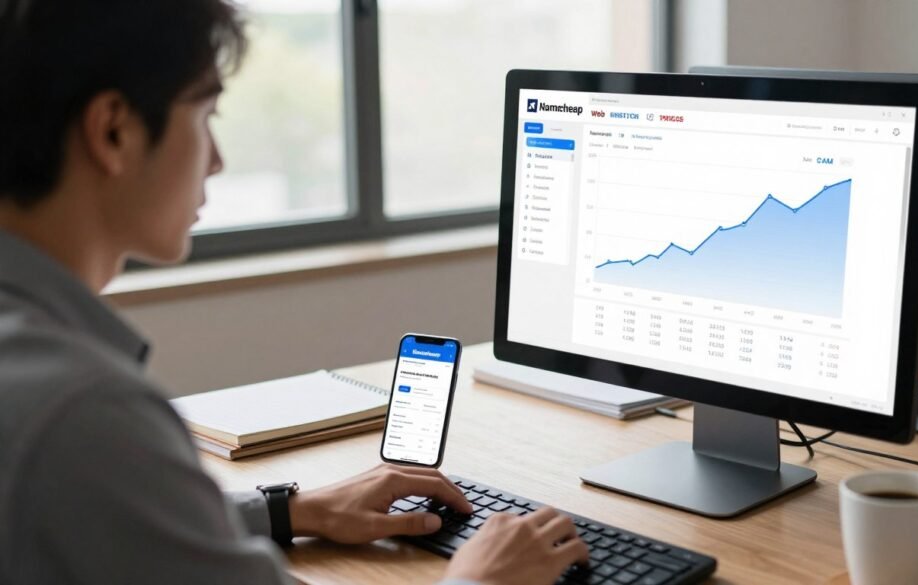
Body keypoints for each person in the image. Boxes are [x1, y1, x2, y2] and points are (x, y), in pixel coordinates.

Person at [0, 1, 589, 584]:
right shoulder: (85, 414)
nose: (217, 161)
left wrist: (287, 510)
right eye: (206, 117)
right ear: (113, 130)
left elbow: (109, 520)